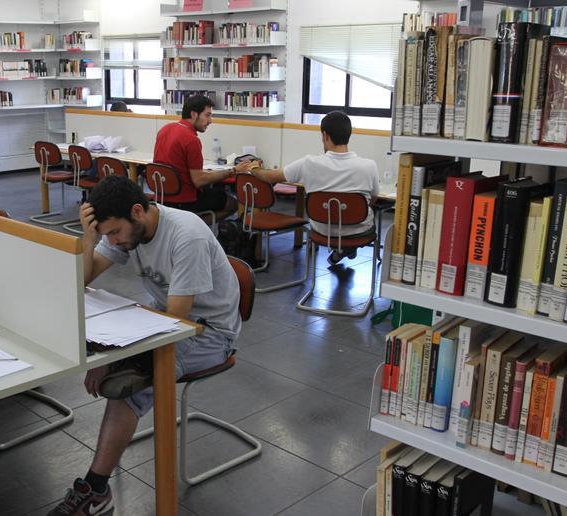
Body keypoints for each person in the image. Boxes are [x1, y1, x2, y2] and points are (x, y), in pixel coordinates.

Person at [47, 176, 241, 516]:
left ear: (138, 211)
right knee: (122, 369)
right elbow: (81, 280)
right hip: (167, 320)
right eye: (107, 234)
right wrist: (89, 240)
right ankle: (99, 479)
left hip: (208, 333)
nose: (114, 241)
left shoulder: (186, 235)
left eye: (115, 233)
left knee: (129, 384)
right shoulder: (125, 231)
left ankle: (95, 488)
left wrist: (113, 357)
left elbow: (176, 326)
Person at [242, 111, 379, 266]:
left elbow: (271, 177)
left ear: (325, 136)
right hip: (359, 231)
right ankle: (346, 249)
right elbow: (372, 199)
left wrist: (253, 169)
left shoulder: (308, 163)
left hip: (322, 230)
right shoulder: (369, 166)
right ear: (349, 135)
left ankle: (339, 251)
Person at [152, 94, 254, 220]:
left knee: (214, 192)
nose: (210, 121)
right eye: (207, 115)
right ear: (194, 114)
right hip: (184, 200)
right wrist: (233, 171)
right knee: (232, 203)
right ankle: (195, 227)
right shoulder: (191, 140)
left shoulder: (165, 129)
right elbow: (198, 180)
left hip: (162, 197)